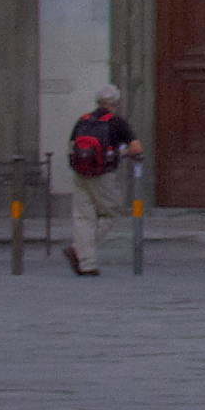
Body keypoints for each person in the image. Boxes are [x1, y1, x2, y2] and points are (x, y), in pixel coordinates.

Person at [63, 86, 139, 277]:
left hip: (80, 174)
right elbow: (136, 148)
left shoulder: (83, 121)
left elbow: (72, 145)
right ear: (114, 104)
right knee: (112, 212)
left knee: (82, 217)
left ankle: (87, 264)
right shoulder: (116, 122)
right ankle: (79, 250)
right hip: (103, 175)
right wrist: (122, 153)